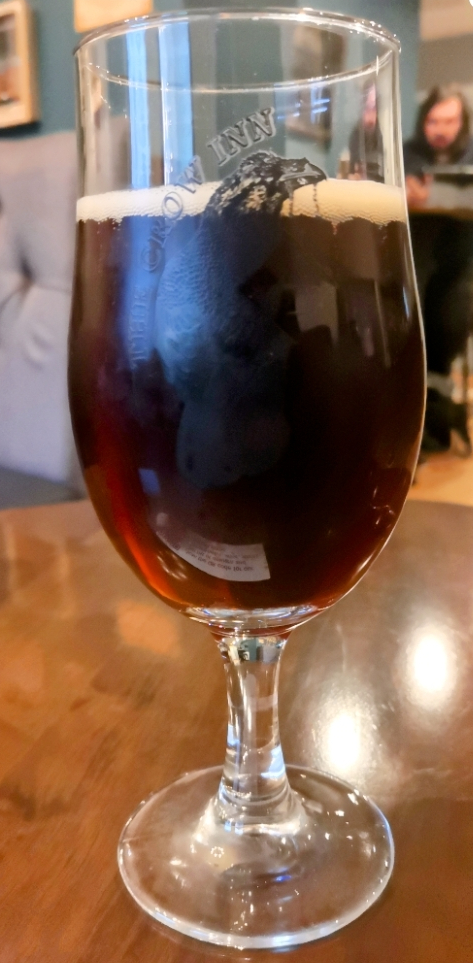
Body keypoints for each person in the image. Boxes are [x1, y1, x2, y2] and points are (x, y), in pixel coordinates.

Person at [404, 86, 473, 454]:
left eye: (449, 121)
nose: (441, 129)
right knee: (411, 333)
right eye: (433, 121)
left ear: (462, 123)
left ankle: (439, 420)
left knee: (450, 328)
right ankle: (414, 425)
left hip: (461, 262)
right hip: (418, 260)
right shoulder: (407, 154)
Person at [348, 82, 384, 183]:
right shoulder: (356, 134)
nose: (370, 113)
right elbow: (353, 169)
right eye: (368, 108)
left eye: (374, 108)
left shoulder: (381, 136)